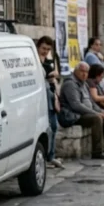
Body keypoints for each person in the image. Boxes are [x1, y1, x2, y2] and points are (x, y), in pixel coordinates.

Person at [59, 62, 104, 159]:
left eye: (86, 72)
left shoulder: (84, 84)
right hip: (74, 115)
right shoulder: (70, 84)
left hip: (86, 113)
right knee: (97, 118)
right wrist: (96, 113)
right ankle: (97, 151)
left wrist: (101, 111)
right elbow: (76, 105)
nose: (84, 74)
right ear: (76, 71)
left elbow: (91, 102)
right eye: (82, 71)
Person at [36, 36, 64, 168]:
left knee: (54, 126)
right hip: (43, 95)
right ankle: (47, 157)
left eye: (48, 49)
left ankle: (51, 155)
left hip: (52, 94)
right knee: (48, 127)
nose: (45, 51)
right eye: (43, 48)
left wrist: (53, 75)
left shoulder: (49, 59)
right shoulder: (34, 59)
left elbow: (57, 73)